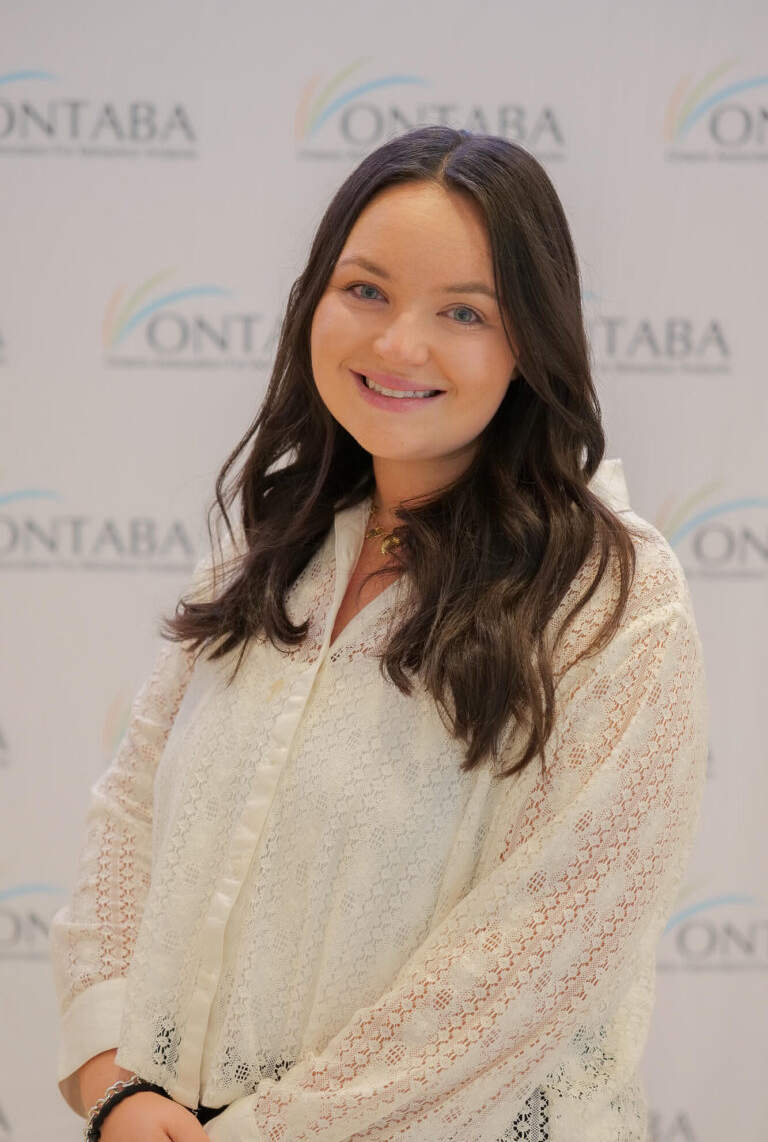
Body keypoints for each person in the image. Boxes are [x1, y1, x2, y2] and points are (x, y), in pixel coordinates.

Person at [50, 126, 707, 1142]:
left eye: (464, 312)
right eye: (365, 290)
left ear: (530, 342)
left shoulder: (609, 595)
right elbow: (131, 816)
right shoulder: (271, 550)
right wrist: (116, 1088)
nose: (399, 345)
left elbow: (540, 958)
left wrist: (261, 1132)